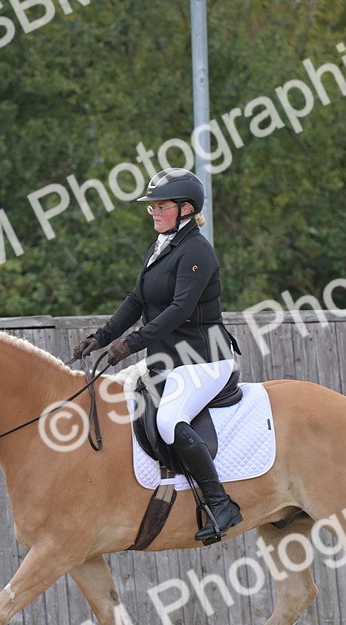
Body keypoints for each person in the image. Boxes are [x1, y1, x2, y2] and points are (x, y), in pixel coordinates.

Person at [72, 168, 243, 544]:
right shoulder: (161, 246)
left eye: (160, 205)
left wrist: (130, 345)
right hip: (169, 362)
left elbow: (180, 310)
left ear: (185, 208)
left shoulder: (197, 250)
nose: (153, 212)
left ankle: (220, 502)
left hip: (205, 359)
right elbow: (137, 300)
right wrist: (101, 337)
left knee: (169, 421)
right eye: (152, 206)